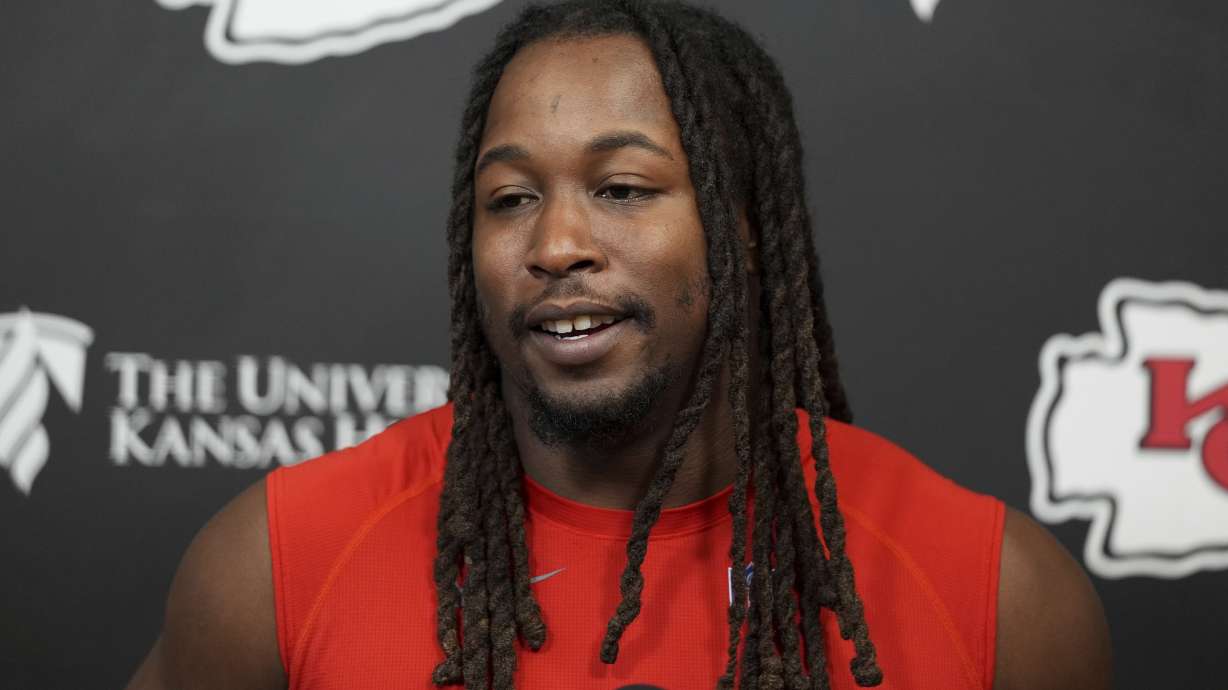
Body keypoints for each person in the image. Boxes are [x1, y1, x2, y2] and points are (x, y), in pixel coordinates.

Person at [126, 1, 1111, 688]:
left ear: (745, 230)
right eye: (509, 200)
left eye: (623, 189)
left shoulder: (998, 598)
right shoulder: (274, 564)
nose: (556, 246)